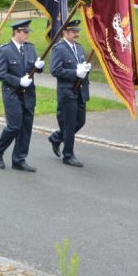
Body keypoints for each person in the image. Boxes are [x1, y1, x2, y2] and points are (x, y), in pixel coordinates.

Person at [0, 20, 45, 172]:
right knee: (14, 126)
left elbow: (33, 68)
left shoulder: (30, 48)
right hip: (12, 93)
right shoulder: (5, 50)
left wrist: (39, 67)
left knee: (26, 127)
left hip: (28, 94)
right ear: (16, 32)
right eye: (25, 32)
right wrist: (18, 81)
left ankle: (19, 159)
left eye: (28, 32)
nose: (27, 34)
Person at [48, 19, 92, 167]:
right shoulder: (59, 49)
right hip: (67, 91)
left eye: (77, 32)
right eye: (73, 32)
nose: (76, 34)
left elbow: (81, 66)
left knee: (81, 121)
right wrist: (75, 72)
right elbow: (55, 70)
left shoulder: (79, 48)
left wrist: (86, 68)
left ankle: (57, 137)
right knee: (70, 123)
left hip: (80, 90)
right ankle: (68, 155)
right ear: (65, 33)